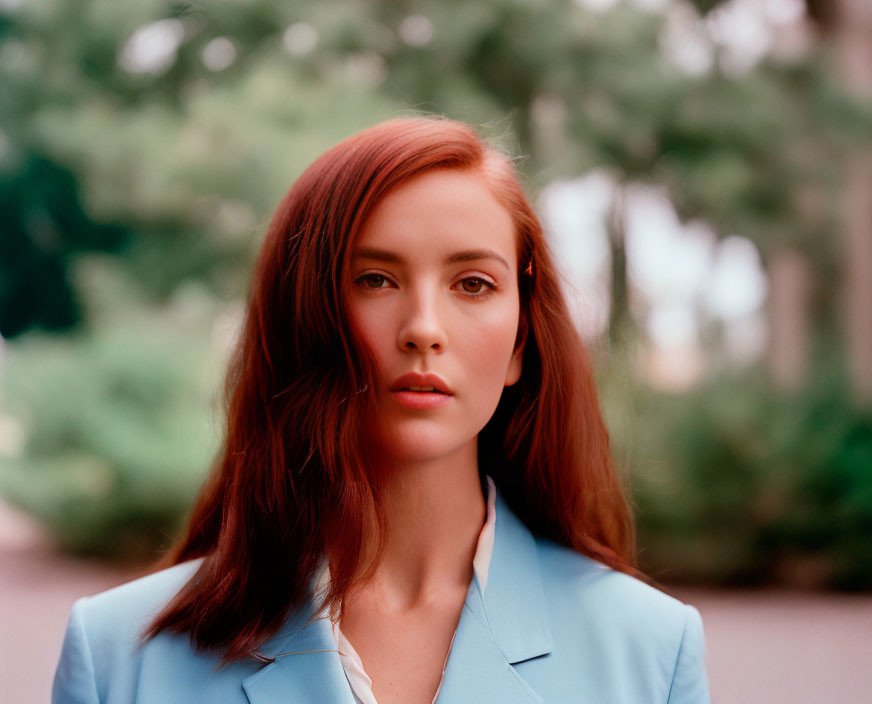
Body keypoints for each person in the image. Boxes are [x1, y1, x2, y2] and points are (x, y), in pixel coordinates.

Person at [52, 116, 711, 704]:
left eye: (474, 284)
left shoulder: (649, 651)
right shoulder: (118, 657)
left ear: (520, 343)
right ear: (303, 320)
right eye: (375, 279)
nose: (423, 328)